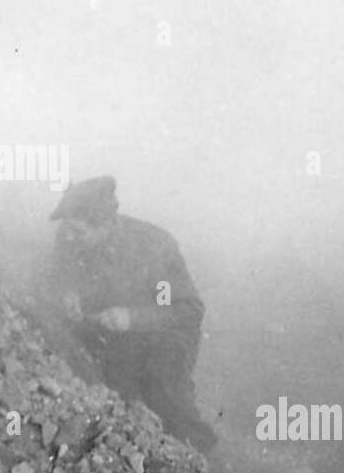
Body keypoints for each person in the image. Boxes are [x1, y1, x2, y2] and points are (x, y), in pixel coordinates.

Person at [46, 176, 217, 453]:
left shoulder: (153, 249)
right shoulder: (70, 238)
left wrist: (132, 318)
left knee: (164, 396)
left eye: (78, 231)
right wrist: (68, 294)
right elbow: (59, 273)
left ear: (105, 224)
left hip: (159, 338)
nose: (69, 237)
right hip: (106, 336)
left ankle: (201, 457)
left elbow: (187, 311)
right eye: (67, 229)